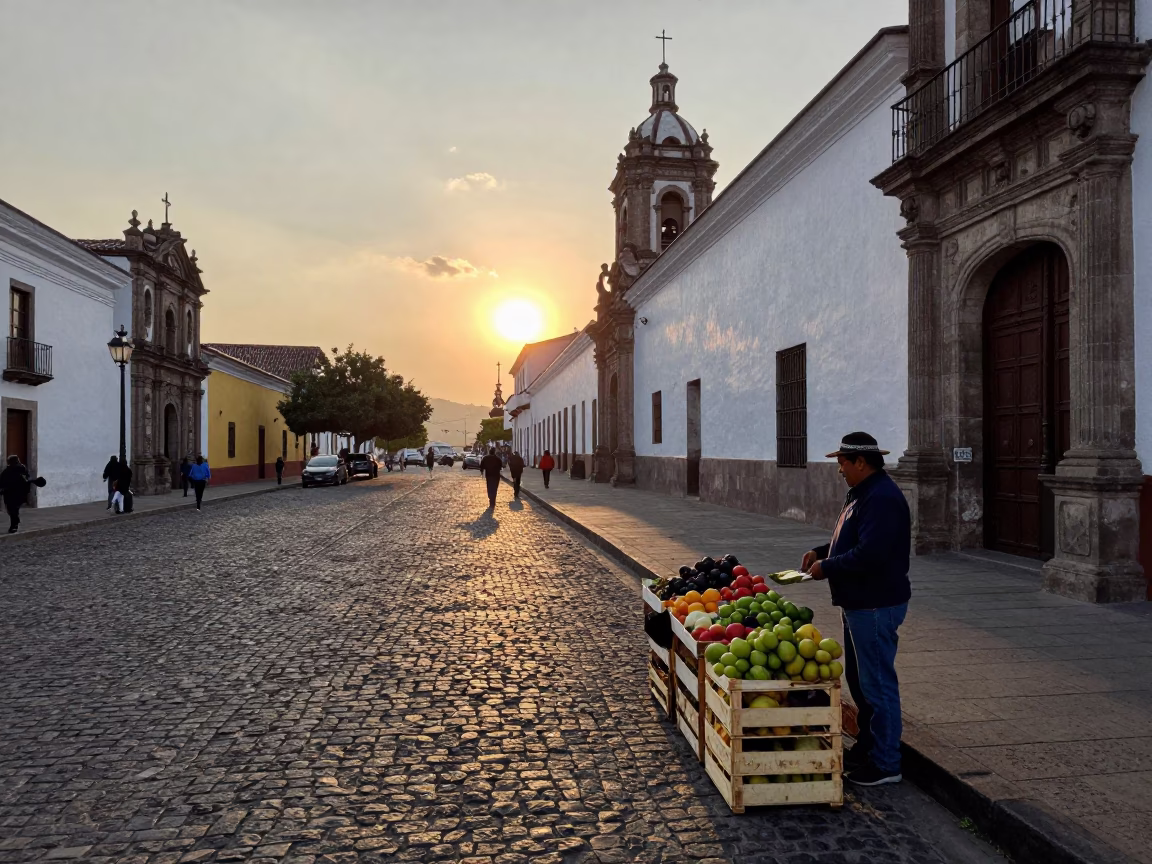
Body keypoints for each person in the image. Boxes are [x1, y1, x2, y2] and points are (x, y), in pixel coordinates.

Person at [800, 431, 911, 787]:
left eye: (842, 465)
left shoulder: (881, 498)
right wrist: (821, 551)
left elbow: (871, 554)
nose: (840, 472)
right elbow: (853, 539)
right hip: (859, 602)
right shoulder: (864, 493)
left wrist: (827, 568)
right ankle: (869, 746)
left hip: (875, 603)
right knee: (861, 683)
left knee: (877, 684)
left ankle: (887, 764)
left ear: (860, 462)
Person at [0, 455, 30, 533]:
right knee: (13, 509)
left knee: (12, 509)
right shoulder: (9, 470)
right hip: (12, 493)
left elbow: (26, 480)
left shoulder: (20, 469)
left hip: (15, 493)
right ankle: (15, 522)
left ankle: (14, 525)